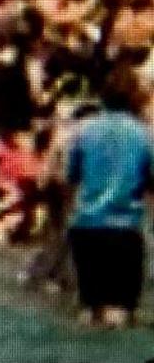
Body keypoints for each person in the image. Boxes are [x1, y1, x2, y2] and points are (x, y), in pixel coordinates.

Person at [63, 65, 154, 328]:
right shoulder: (144, 135)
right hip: (124, 229)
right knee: (120, 315)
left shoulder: (83, 131)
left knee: (89, 312)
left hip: (86, 229)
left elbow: (70, 177)